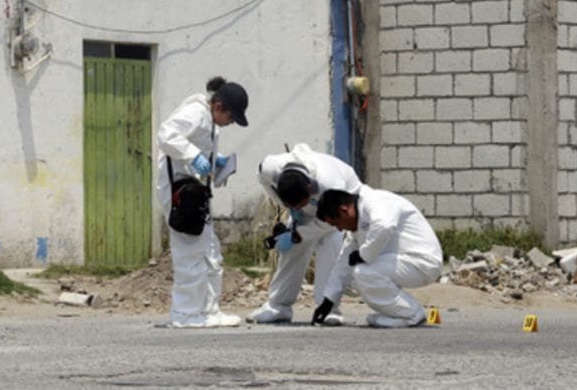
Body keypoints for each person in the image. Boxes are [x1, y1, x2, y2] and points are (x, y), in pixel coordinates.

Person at [156, 76, 249, 328]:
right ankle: (185, 313)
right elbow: (166, 135)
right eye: (230, 118)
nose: (230, 124)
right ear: (218, 107)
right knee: (190, 252)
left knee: (209, 252)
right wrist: (194, 156)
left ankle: (208, 310)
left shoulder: (209, 121)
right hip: (180, 192)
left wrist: (216, 159)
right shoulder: (196, 113)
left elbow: (193, 144)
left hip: (196, 192)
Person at [247, 143, 362, 326]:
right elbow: (265, 183)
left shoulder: (331, 182)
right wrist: (288, 208)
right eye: (293, 204)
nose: (297, 207)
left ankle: (329, 308)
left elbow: (328, 223)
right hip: (309, 211)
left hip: (335, 214)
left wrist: (296, 234)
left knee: (330, 247)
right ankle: (278, 307)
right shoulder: (269, 167)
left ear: (310, 187)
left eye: (300, 204)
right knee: (291, 252)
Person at [312, 186, 443, 328]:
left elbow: (384, 226)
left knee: (363, 272)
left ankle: (411, 314)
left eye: (336, 223)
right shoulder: (355, 229)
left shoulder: (375, 201)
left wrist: (363, 255)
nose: (339, 229)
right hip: (408, 262)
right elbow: (343, 264)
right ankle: (400, 314)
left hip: (423, 262)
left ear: (344, 210)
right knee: (358, 274)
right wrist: (328, 302)